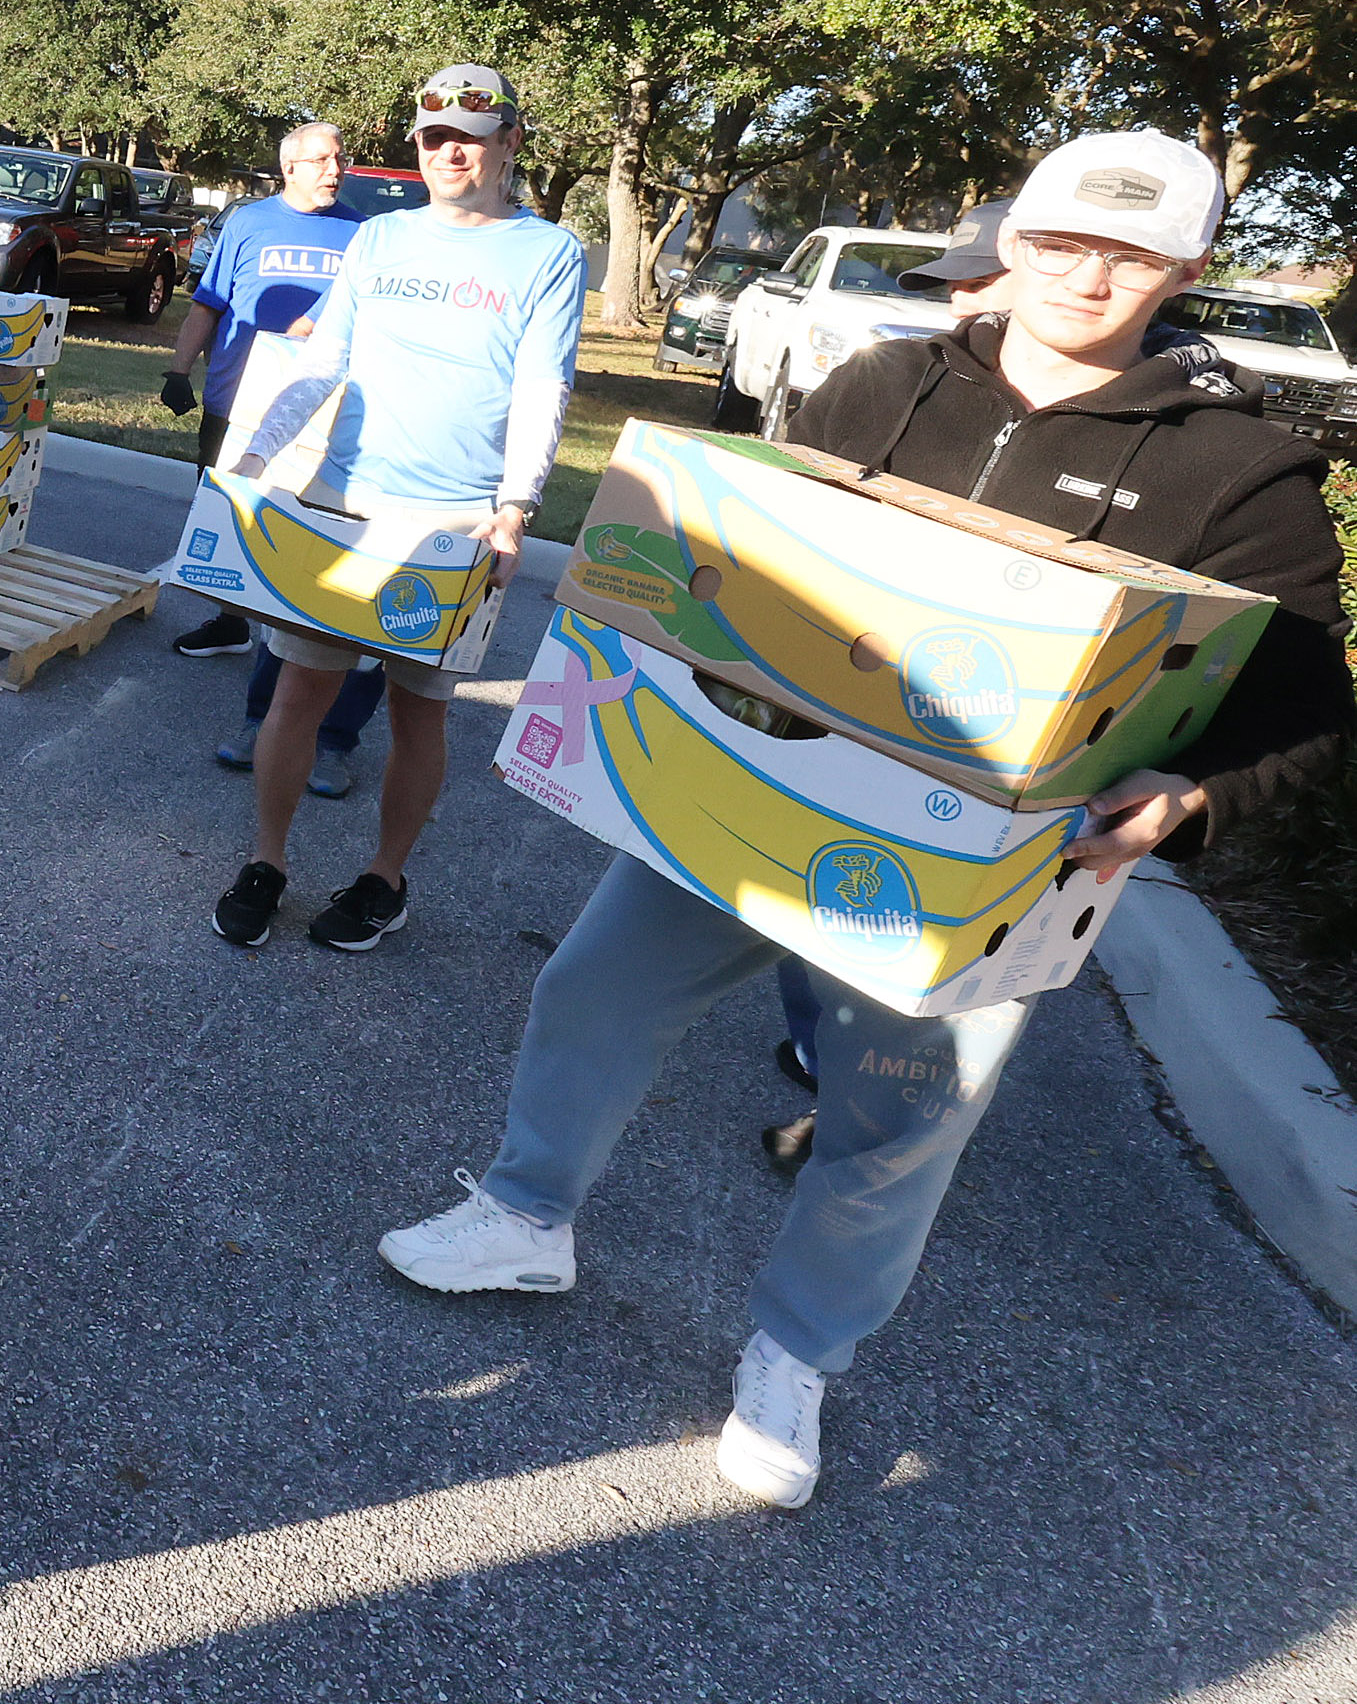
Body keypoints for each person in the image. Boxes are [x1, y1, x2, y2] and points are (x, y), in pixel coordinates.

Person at [379, 131, 1354, 1511]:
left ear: (1186, 268)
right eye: (1064, 239)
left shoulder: (1238, 471)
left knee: (900, 1119)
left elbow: (1306, 702)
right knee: (594, 988)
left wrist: (1193, 798)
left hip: (983, 863)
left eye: (1132, 253)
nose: (1089, 274)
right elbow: (744, 546)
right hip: (760, 790)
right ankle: (523, 1216)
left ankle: (795, 1358)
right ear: (1013, 239)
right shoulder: (884, 379)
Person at [211, 66, 583, 951]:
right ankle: (265, 862)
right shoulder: (378, 240)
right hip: (344, 504)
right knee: (298, 690)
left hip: (457, 520)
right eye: (432, 136)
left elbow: (543, 386)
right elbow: (324, 358)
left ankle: (383, 879)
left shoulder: (548, 253)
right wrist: (257, 456)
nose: (451, 149)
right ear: (415, 145)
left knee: (419, 710)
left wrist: (515, 507)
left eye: (471, 135)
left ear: (508, 144)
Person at [754, 198, 1020, 1172]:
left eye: (981, 280)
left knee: (901, 932)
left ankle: (857, 1107)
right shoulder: (893, 379)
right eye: (954, 283)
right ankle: (822, 1048)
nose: (964, 302)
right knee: (813, 908)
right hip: (844, 705)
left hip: (982, 736)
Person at [162, 120, 387, 801]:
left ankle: (307, 727)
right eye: (319, 159)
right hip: (239, 405)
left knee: (309, 557)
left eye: (338, 158)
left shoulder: (363, 234)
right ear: (287, 167)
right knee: (232, 530)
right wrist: (179, 368)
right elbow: (209, 301)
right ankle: (233, 625)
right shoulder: (248, 223)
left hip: (321, 422)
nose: (333, 169)